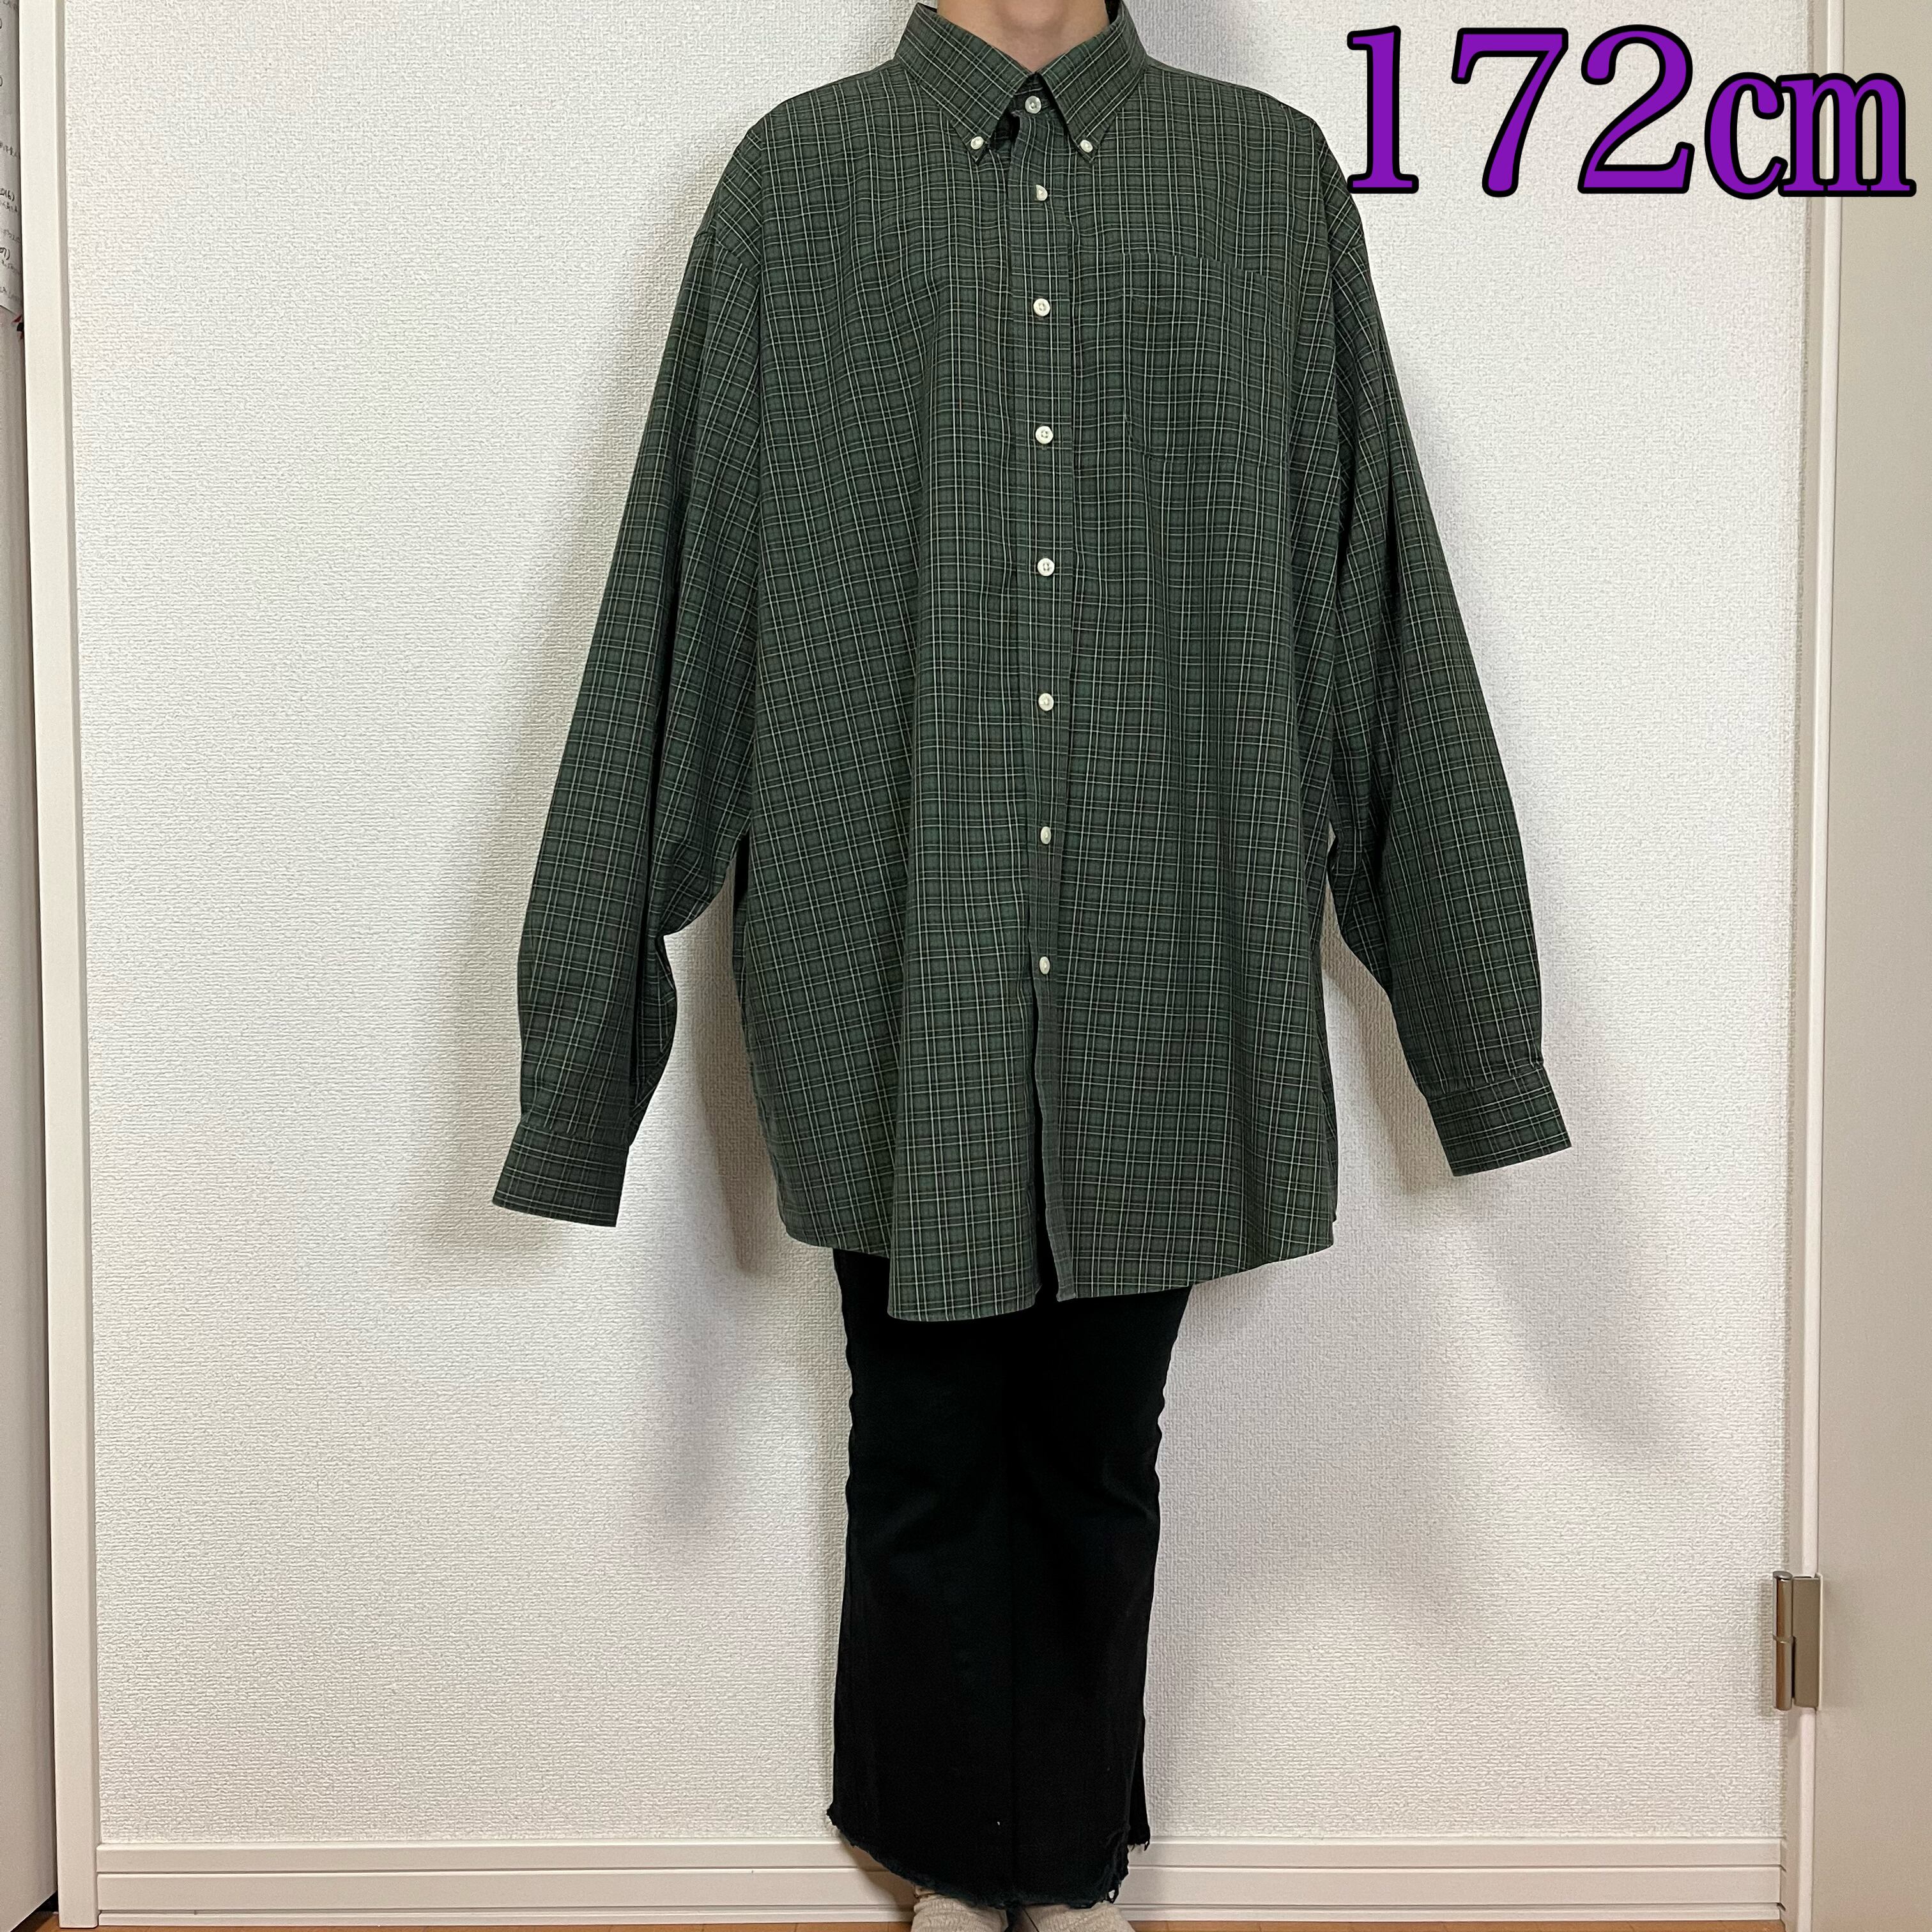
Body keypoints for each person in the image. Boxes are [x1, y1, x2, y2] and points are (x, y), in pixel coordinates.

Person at [492, 0, 1572, 1924]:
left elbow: (1374, 596)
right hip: (890, 944)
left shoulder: (1261, 179)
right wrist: (586, 1040)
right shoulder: (802, 184)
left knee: (1096, 1446)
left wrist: (1475, 1026)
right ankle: (927, 1851)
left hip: (1165, 949)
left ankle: (1064, 1871)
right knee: (916, 1435)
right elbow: (685, 593)